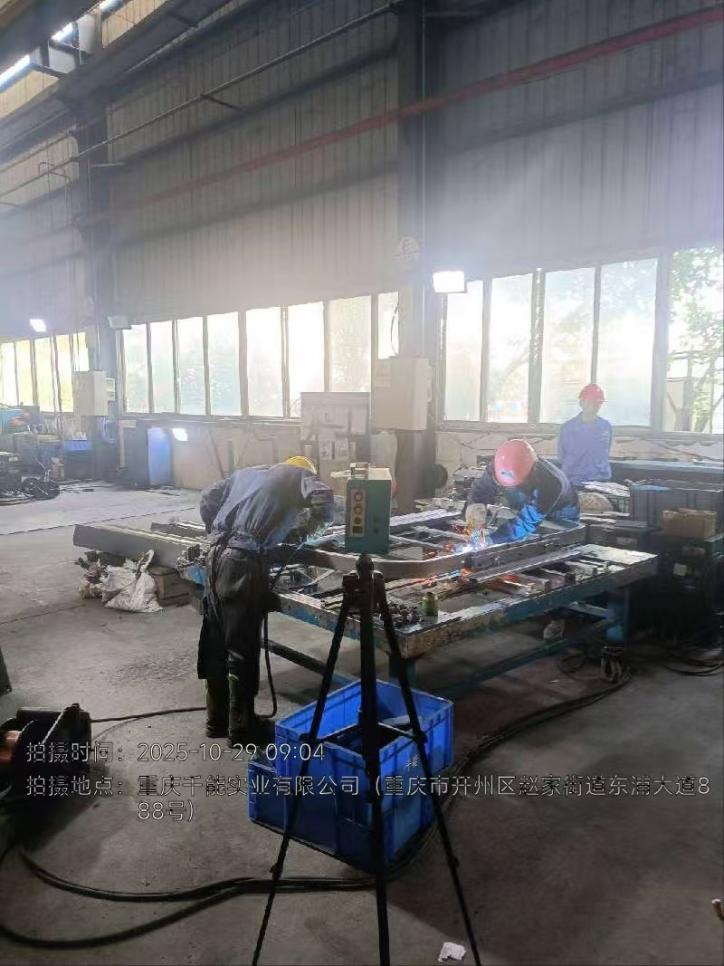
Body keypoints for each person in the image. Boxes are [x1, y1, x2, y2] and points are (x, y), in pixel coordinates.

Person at [197, 456, 334, 745]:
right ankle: (242, 728)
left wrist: (216, 531)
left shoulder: (248, 471)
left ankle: (216, 720)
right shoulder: (297, 474)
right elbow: (324, 499)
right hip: (242, 563)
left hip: (213, 557)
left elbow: (208, 497)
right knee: (241, 647)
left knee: (217, 640)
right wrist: (304, 532)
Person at [467, 439, 579, 544]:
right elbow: (480, 492)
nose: (509, 488)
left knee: (555, 543)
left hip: (560, 512)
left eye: (514, 485)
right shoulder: (498, 466)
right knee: (520, 534)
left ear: (530, 473)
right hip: (530, 501)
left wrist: (493, 539)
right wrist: (475, 521)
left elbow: (527, 521)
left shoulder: (549, 483)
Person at [558, 384, 612, 486]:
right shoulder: (567, 428)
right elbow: (562, 456)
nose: (595, 405)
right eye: (591, 401)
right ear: (581, 402)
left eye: (599, 402)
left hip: (599, 481)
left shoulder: (605, 426)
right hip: (574, 481)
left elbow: (606, 451)